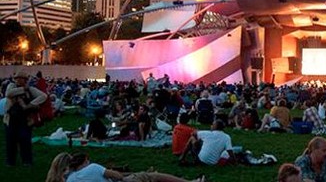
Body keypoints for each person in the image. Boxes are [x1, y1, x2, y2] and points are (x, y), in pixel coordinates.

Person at [62, 152, 205, 182]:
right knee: (153, 176)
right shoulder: (93, 167)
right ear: (85, 161)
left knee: (143, 175)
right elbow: (118, 177)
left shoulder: (70, 179)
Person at [4, 70, 48, 166]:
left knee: (25, 140)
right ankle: (10, 161)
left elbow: (43, 96)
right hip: (11, 118)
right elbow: (8, 94)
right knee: (11, 140)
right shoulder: (12, 86)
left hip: (25, 118)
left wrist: (31, 104)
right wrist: (23, 89)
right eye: (17, 78)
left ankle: (27, 161)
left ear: (25, 80)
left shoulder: (30, 89)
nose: (19, 80)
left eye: (21, 78)